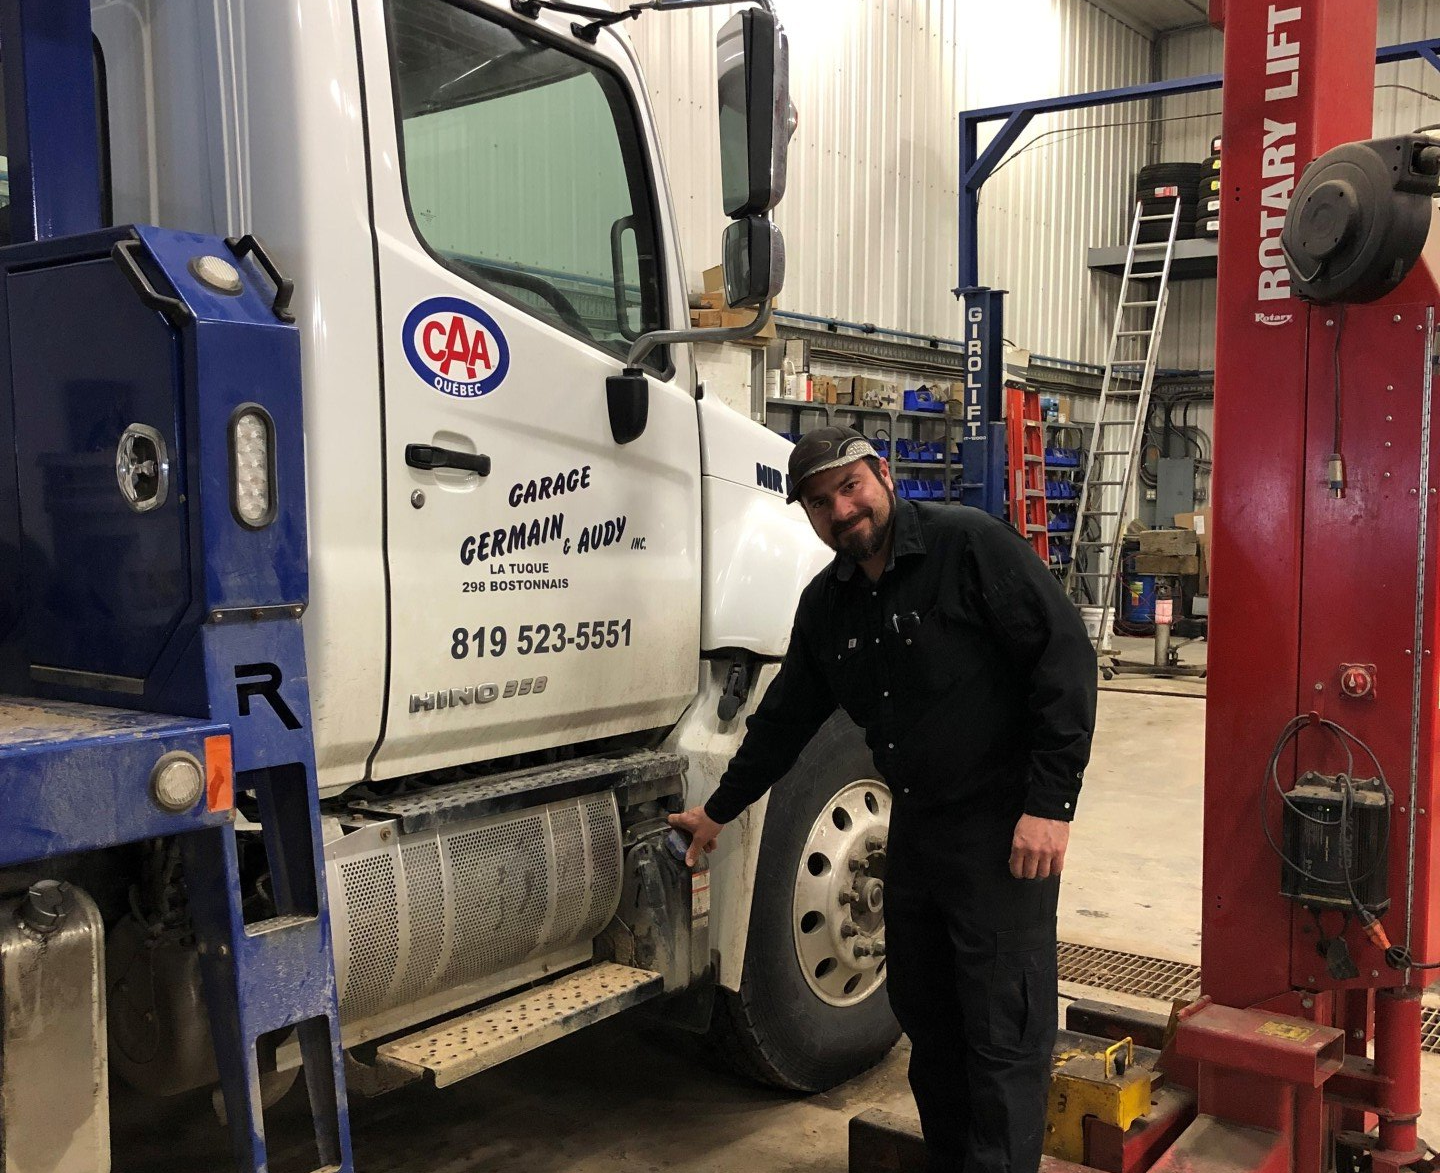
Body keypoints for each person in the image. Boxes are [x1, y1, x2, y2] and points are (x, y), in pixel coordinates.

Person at [669, 425, 1097, 1173]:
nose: (842, 509)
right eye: (820, 500)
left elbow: (1063, 657)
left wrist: (1050, 804)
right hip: (918, 835)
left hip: (1003, 833)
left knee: (1002, 1033)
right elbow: (781, 724)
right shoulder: (827, 605)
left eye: (850, 486)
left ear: (884, 476)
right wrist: (718, 810)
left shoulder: (968, 547)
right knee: (929, 1021)